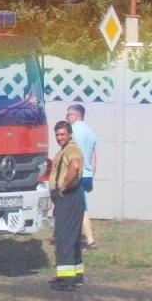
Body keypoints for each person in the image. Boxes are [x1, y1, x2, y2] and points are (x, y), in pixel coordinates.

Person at [48, 120, 87, 292]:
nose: (59, 137)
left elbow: (75, 166)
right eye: (57, 135)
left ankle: (65, 279)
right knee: (72, 237)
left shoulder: (71, 149)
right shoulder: (65, 150)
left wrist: (64, 185)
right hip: (70, 198)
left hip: (68, 197)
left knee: (64, 237)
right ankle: (76, 275)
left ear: (70, 134)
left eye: (62, 134)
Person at [66, 102, 100, 248]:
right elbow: (94, 158)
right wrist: (91, 175)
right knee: (74, 206)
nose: (66, 118)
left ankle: (90, 241)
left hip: (76, 174)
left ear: (75, 115)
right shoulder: (91, 133)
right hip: (87, 174)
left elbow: (69, 156)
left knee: (80, 208)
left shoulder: (72, 132)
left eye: (68, 114)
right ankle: (72, 237)